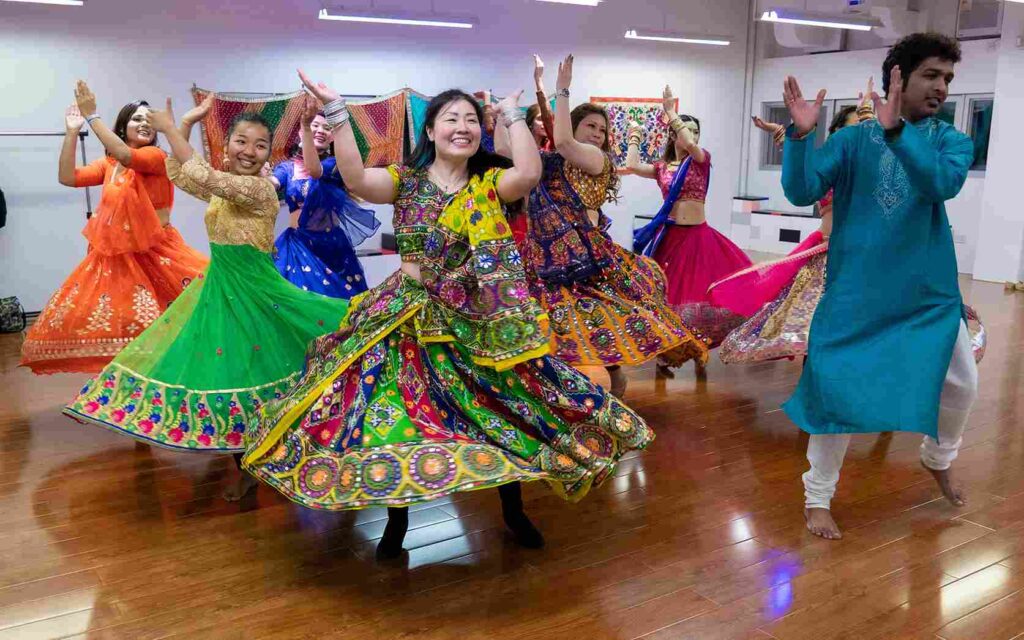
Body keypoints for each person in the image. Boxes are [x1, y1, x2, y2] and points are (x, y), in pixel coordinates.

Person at [242, 68, 654, 561]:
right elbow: (355, 178)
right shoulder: (406, 181)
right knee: (395, 416)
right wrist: (336, 110)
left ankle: (513, 510)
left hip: (475, 320)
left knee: (497, 410)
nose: (462, 127)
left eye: (471, 120)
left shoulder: (489, 184)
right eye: (451, 118)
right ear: (431, 130)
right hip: (406, 316)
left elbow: (528, 174)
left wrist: (512, 114)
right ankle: (397, 521)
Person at [64, 104, 349, 501]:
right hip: (221, 291)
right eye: (241, 142)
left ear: (269, 153)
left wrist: (171, 130)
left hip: (256, 294)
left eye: (260, 145)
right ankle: (248, 466)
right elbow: (180, 173)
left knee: (264, 373)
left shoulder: (260, 190)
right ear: (227, 147)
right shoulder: (225, 185)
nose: (250, 151)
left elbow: (202, 175)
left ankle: (290, 453)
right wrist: (182, 124)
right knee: (232, 377)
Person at [779, 33, 978, 540]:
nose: (942, 87)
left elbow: (939, 184)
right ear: (899, 77)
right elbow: (802, 190)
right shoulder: (852, 141)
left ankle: (938, 458)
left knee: (962, 383)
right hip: (858, 290)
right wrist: (800, 138)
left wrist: (897, 134)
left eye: (948, 78)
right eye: (931, 75)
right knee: (837, 393)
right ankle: (817, 496)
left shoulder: (951, 141)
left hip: (927, 293)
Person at [503, 55, 707, 397]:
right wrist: (505, 113)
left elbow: (563, 140)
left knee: (593, 325)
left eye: (602, 130)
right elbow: (508, 147)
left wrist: (562, 89)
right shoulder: (553, 159)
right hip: (546, 256)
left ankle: (607, 392)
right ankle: (580, 393)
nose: (598, 134)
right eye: (591, 127)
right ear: (574, 125)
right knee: (564, 329)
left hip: (585, 259)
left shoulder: (596, 158)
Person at [21, 82, 208, 374]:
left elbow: (126, 155)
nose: (144, 124)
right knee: (124, 326)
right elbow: (68, 177)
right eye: (136, 119)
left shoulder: (156, 158)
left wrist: (92, 116)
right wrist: (72, 132)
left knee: (169, 325)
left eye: (149, 120)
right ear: (122, 127)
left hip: (157, 255)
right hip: (117, 260)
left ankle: (169, 379)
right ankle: (128, 384)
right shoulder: (110, 164)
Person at [711, 82, 877, 364]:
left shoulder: (875, 167)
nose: (859, 135)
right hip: (824, 259)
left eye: (864, 129)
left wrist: (871, 122)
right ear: (837, 133)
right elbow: (799, 172)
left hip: (862, 260)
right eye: (854, 128)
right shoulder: (826, 166)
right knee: (814, 329)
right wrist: (789, 132)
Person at [627, 85, 753, 376]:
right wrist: (635, 134)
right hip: (670, 239)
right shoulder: (662, 167)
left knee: (700, 297)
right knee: (667, 298)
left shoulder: (700, 160)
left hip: (699, 238)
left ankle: (699, 348)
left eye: (696, 132)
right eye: (687, 131)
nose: (692, 136)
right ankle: (666, 353)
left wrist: (670, 112)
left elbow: (690, 144)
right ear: (673, 135)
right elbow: (631, 165)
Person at [270, 95, 379, 298]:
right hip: (296, 246)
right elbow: (271, 184)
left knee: (338, 302)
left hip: (330, 247)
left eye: (327, 128)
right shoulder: (287, 168)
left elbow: (315, 171)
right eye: (315, 125)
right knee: (296, 302)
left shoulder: (335, 165)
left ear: (332, 138)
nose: (321, 130)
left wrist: (306, 126)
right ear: (300, 133)